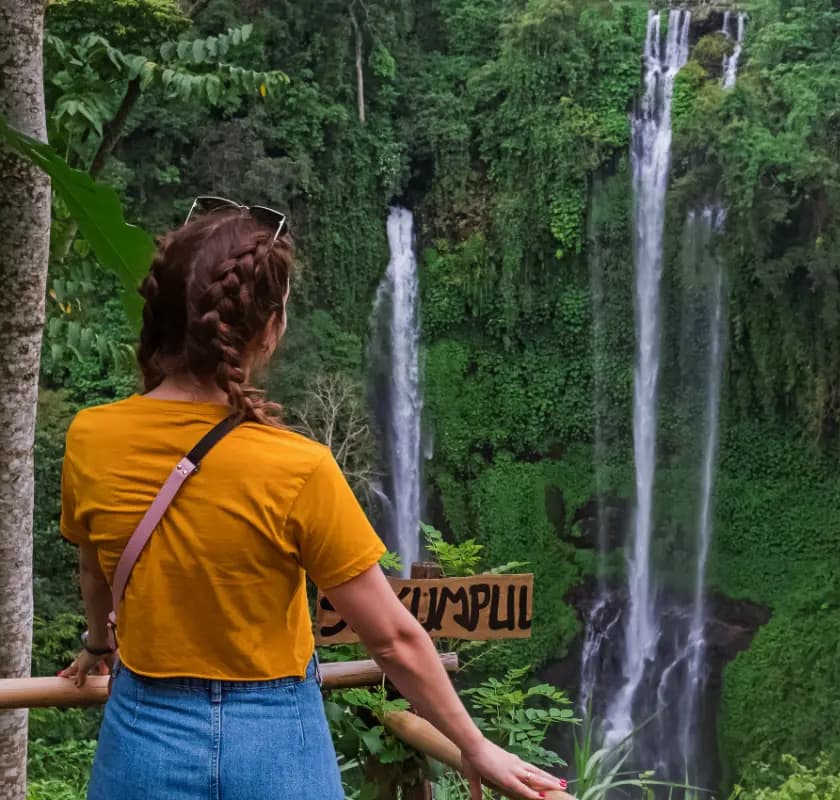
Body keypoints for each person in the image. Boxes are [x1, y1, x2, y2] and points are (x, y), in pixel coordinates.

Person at [58, 199, 565, 800]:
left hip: (145, 732)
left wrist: (97, 645)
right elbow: (392, 639)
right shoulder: (299, 467)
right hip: (276, 741)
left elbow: (95, 569)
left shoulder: (91, 437)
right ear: (268, 333)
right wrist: (474, 746)